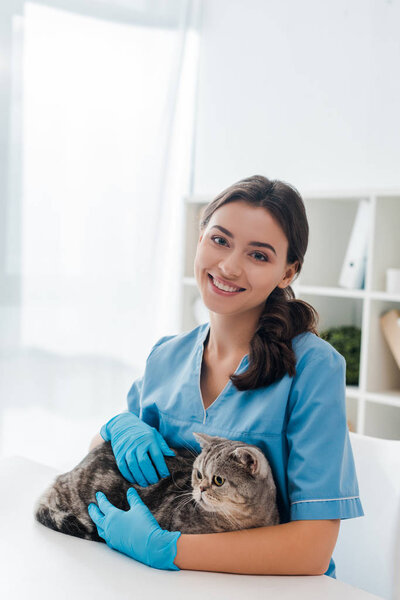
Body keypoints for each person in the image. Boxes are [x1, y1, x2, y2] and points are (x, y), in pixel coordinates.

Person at [87, 174, 364, 577]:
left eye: (259, 255)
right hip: (160, 583)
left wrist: (169, 550)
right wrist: (118, 425)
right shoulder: (167, 355)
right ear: (200, 238)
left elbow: (312, 549)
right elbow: (103, 457)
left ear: (288, 273)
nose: (229, 266)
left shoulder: (313, 368)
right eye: (220, 240)